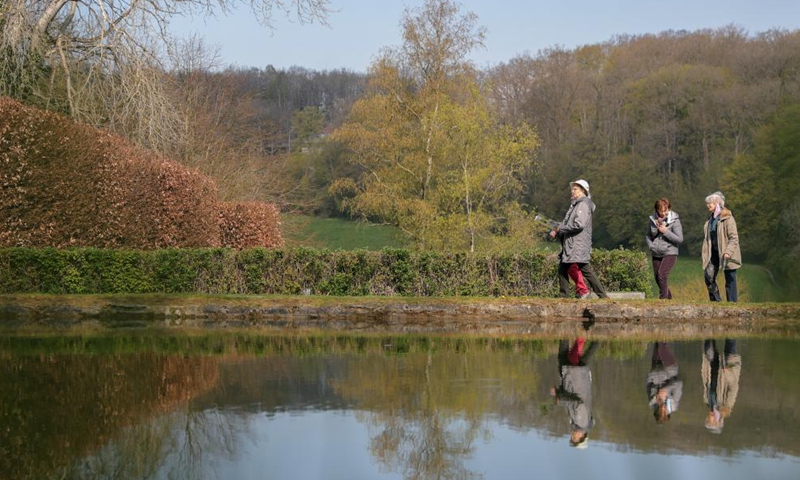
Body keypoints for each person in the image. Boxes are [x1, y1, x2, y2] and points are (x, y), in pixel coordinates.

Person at [549, 180, 608, 299]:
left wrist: (561, 228)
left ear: (583, 191)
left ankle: (602, 296)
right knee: (565, 269)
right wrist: (557, 226)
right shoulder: (577, 204)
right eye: (573, 188)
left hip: (577, 244)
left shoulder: (582, 204)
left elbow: (578, 224)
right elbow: (570, 223)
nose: (572, 191)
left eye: (575, 189)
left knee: (585, 270)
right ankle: (564, 296)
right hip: (574, 244)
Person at [550, 337, 599, 448]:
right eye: (574, 438)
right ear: (582, 436)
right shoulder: (582, 423)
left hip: (574, 379)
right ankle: (595, 338)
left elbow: (571, 400)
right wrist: (560, 400)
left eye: (572, 438)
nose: (572, 436)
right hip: (575, 380)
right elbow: (578, 403)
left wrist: (558, 393)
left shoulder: (578, 423)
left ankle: (595, 338)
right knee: (565, 355)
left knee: (567, 356)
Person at [702, 191, 742, 302]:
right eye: (708, 203)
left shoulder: (728, 218)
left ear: (718, 203)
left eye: (711, 203)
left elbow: (734, 238)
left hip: (727, 253)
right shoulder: (710, 219)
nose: (708, 205)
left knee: (730, 279)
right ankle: (716, 302)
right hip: (714, 253)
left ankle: (732, 304)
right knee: (708, 277)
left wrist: (728, 251)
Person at [646, 198, 683, 300]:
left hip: (670, 252)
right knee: (657, 278)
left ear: (669, 209)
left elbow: (679, 239)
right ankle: (669, 297)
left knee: (662, 275)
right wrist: (651, 246)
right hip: (656, 252)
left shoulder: (675, 220)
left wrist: (666, 231)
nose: (664, 213)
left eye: (666, 210)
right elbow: (648, 235)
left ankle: (663, 299)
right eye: (661, 211)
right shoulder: (652, 220)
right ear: (657, 210)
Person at [702, 339, 742, 434]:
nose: (710, 417)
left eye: (709, 419)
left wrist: (705, 367)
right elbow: (734, 387)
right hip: (728, 366)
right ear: (719, 419)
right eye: (713, 420)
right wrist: (727, 373)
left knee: (709, 345)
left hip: (712, 366)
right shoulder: (727, 406)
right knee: (731, 341)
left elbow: (706, 382)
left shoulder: (707, 401)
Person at [646, 342, 683, 424]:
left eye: (660, 411)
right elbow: (679, 384)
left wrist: (650, 376)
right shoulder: (674, 403)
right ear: (668, 413)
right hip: (669, 368)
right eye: (665, 412)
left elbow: (648, 385)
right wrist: (666, 390)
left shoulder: (652, 401)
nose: (662, 409)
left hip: (656, 366)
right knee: (661, 343)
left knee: (656, 341)